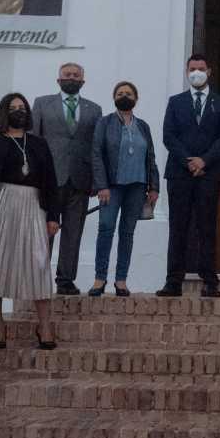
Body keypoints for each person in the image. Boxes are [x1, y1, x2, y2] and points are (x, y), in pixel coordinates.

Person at [0, 93, 61, 349]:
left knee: (39, 265)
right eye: (13, 108)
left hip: (33, 207)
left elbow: (52, 182)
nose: (18, 111)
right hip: (0, 207)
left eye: (22, 107)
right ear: (3, 112)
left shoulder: (40, 144)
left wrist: (54, 215)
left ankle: (44, 325)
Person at [156, 54, 220, 298]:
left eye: (201, 68)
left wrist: (205, 160)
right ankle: (173, 281)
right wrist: (188, 161)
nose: (196, 72)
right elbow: (169, 135)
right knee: (178, 227)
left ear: (209, 71)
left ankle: (210, 280)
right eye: (192, 69)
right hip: (180, 173)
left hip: (209, 174)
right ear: (187, 72)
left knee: (206, 227)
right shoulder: (175, 102)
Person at [32, 62, 102, 295]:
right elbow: (34, 141)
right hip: (49, 178)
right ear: (58, 79)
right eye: (66, 75)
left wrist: (96, 179)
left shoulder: (94, 109)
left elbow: (96, 147)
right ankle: (39, 278)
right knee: (45, 230)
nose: (71, 78)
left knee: (73, 231)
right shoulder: (42, 104)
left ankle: (65, 279)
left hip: (81, 179)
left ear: (83, 80)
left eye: (76, 75)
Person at [90, 81, 160, 297]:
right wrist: (102, 185)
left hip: (137, 188)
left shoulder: (143, 126)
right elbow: (96, 154)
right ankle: (99, 278)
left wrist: (154, 187)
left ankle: (121, 280)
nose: (124, 96)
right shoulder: (105, 122)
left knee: (127, 233)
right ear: (114, 98)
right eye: (120, 93)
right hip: (111, 187)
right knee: (105, 228)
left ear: (136, 99)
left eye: (128, 93)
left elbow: (151, 157)